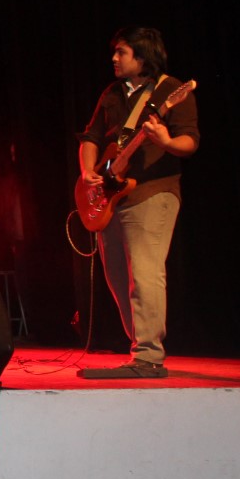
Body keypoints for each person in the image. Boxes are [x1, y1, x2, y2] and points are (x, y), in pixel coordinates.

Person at [78, 27, 199, 377]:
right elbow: (91, 138)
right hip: (113, 197)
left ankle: (148, 355)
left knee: (144, 271)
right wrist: (88, 172)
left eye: (122, 52)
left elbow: (190, 142)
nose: (114, 58)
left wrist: (166, 141)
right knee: (118, 276)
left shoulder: (171, 90)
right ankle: (140, 347)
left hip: (153, 191)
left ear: (143, 56)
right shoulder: (112, 93)